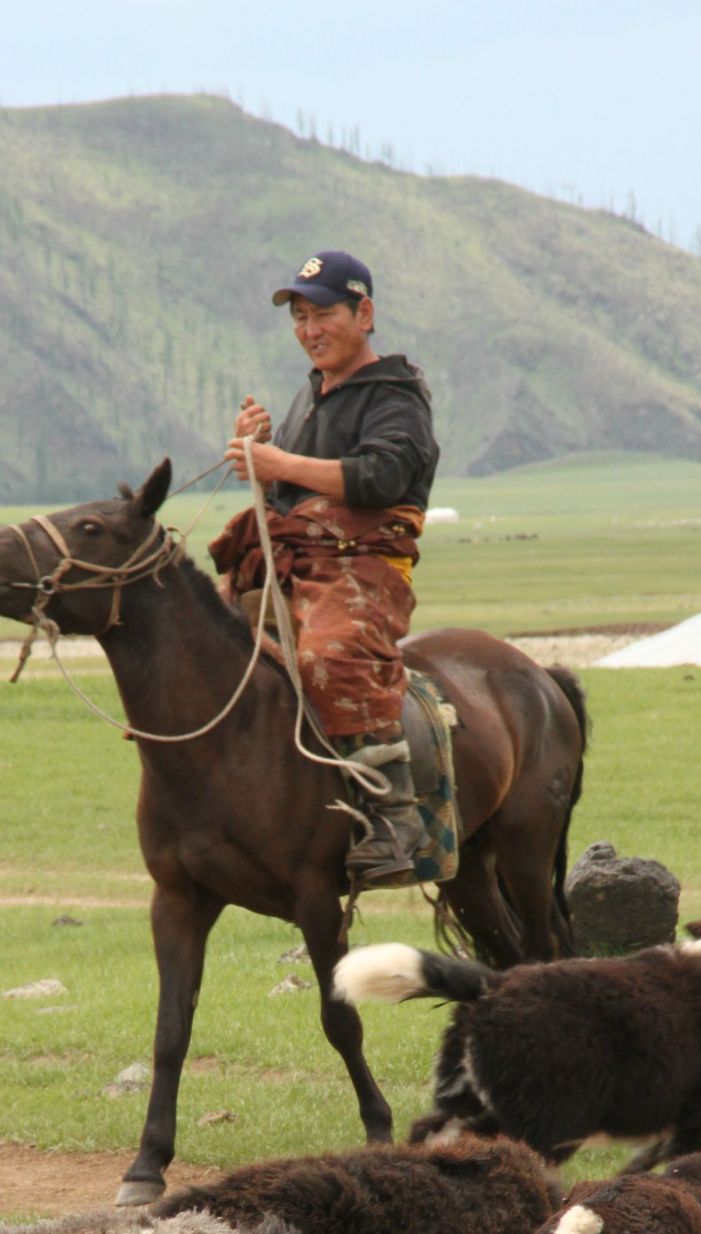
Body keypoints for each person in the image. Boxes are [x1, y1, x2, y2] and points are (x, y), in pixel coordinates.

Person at [209, 251, 440, 888]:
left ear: (364, 314)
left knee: (329, 655)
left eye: (324, 314)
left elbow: (380, 477)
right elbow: (284, 499)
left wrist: (278, 462)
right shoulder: (310, 397)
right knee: (197, 641)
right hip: (297, 558)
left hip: (365, 567)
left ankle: (392, 818)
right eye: (300, 317)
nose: (309, 329)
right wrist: (259, 455)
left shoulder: (396, 397)